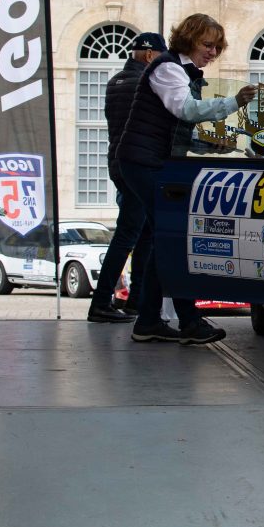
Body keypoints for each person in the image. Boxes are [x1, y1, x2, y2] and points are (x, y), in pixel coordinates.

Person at [116, 14, 257, 345]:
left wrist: (215, 146)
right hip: (143, 162)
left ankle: (149, 321)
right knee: (173, 240)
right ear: (189, 40)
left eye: (216, 47)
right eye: (207, 45)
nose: (211, 52)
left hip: (147, 161)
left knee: (160, 240)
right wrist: (232, 103)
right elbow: (187, 111)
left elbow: (177, 129)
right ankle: (189, 322)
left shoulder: (178, 71)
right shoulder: (168, 68)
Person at [86, 32, 167, 324]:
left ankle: (136, 301)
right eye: (161, 58)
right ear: (148, 55)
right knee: (129, 234)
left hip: (119, 164)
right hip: (137, 164)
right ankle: (101, 302)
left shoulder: (115, 82)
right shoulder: (143, 84)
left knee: (143, 231)